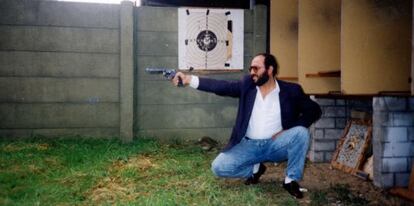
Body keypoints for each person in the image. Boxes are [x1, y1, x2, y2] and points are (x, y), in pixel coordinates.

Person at [172, 53, 321, 199]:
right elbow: (220, 86)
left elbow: (314, 110)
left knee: (301, 132)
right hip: (249, 145)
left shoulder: (291, 90)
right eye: (251, 69)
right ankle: (255, 168)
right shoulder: (247, 86)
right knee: (218, 168)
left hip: (276, 145)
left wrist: (288, 130)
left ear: (270, 70)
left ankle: (290, 180)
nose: (252, 72)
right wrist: (189, 79)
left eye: (256, 68)